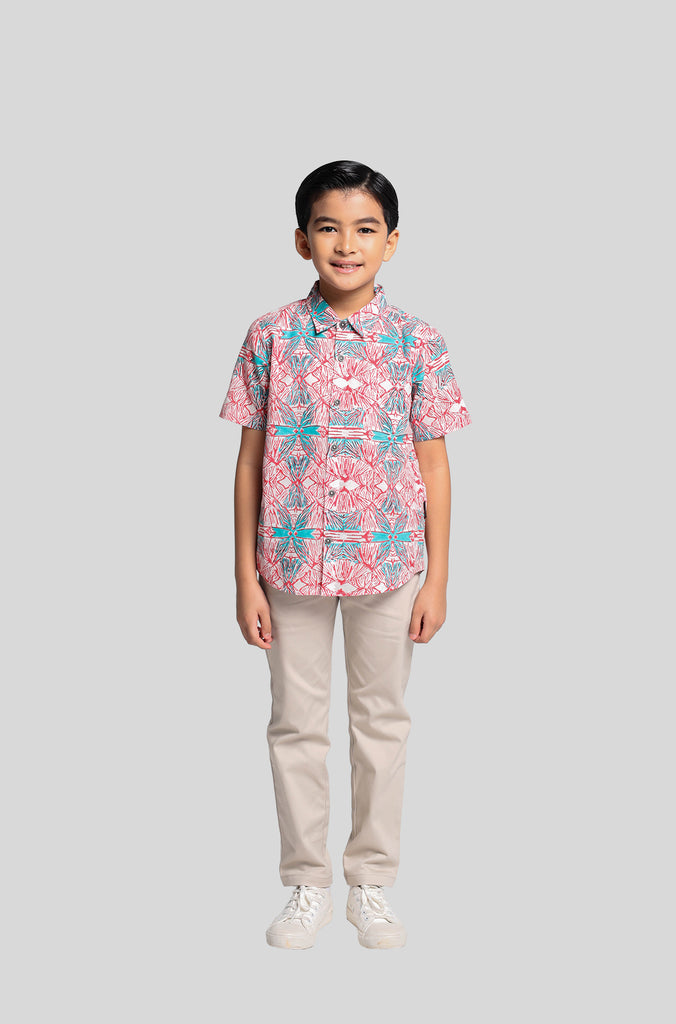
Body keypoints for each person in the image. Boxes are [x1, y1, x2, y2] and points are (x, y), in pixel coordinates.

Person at [218, 159, 471, 949]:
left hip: (388, 564)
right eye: (328, 227)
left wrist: (437, 577)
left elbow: (434, 465)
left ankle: (372, 883)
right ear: (302, 240)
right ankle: (307, 884)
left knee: (381, 723)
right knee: (295, 725)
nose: (346, 244)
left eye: (366, 229)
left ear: (391, 242)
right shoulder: (270, 335)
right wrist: (244, 578)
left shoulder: (418, 342)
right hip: (289, 564)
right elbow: (250, 462)